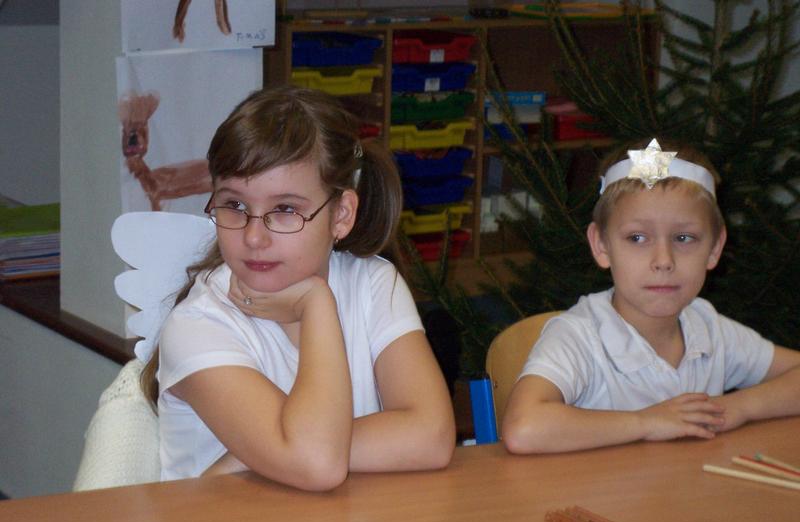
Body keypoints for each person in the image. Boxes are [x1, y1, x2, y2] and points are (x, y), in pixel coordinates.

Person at [141, 86, 455, 490]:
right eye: (235, 205)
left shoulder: (373, 283)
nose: (254, 237)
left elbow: (432, 436)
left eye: (286, 209)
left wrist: (254, 459)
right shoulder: (196, 326)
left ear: (341, 215)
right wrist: (317, 305)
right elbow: (317, 463)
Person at [502, 138, 800, 454]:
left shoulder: (709, 328)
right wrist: (646, 422)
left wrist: (737, 407)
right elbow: (523, 428)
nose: (663, 260)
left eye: (684, 237)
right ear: (601, 245)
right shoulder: (580, 336)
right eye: (637, 238)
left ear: (714, 248)